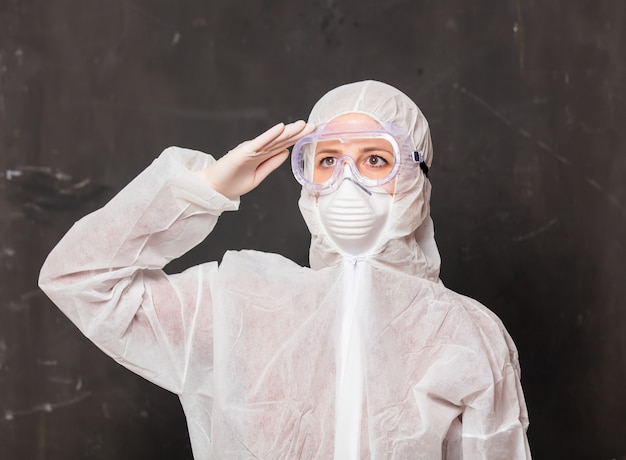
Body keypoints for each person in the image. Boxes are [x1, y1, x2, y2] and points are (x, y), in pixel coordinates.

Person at [39, 80, 531, 459]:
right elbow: (79, 277)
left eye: (375, 159)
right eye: (329, 159)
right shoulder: (240, 304)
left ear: (415, 179)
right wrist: (201, 189)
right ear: (307, 178)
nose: (347, 182)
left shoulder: (466, 336)